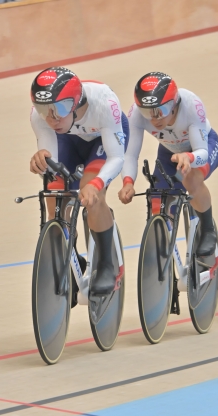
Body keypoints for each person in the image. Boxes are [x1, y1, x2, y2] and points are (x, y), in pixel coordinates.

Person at [29, 67, 128, 297]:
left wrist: (97, 184)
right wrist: (41, 161)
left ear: (76, 103)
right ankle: (71, 260)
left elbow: (116, 158)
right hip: (68, 140)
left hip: (102, 142)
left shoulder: (104, 103)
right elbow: (52, 161)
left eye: (59, 109)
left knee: (91, 194)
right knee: (55, 198)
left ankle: (106, 264)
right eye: (44, 110)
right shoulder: (40, 117)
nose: (51, 118)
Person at [118, 72, 218, 256]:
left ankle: (208, 230)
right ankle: (166, 254)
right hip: (170, 152)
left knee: (191, 179)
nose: (154, 119)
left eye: (160, 111)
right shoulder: (136, 114)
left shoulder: (191, 105)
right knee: (159, 201)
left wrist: (189, 157)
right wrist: (128, 181)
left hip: (201, 147)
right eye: (147, 112)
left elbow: (202, 152)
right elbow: (130, 155)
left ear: (174, 104)